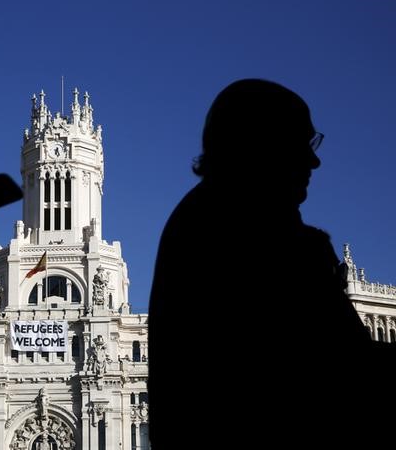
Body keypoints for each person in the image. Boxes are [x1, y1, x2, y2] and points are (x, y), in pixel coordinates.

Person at [147, 79, 374, 449]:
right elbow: (339, 369)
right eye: (302, 143)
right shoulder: (249, 228)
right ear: (261, 144)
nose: (314, 160)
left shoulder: (201, 216)